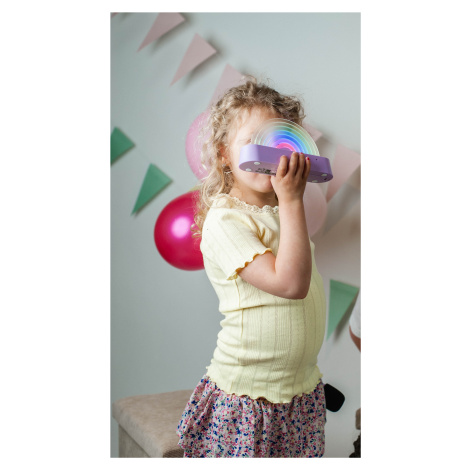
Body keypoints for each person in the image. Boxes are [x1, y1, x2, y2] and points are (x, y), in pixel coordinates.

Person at [176, 78, 327, 458]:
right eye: (252, 141)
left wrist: (287, 205)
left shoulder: (281, 213)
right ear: (224, 155)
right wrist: (292, 201)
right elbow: (290, 284)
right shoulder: (225, 220)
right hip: (250, 395)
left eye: (278, 141)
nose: (269, 153)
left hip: (300, 390)